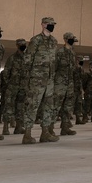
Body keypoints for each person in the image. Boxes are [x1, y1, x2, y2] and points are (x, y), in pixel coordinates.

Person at [22, 16, 59, 144]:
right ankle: (27, 134)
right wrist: (28, 77)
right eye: (49, 24)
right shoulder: (36, 40)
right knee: (33, 105)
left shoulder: (54, 41)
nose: (51, 26)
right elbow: (28, 58)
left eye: (53, 24)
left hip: (49, 79)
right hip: (37, 78)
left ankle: (45, 133)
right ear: (43, 25)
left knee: (48, 106)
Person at [53, 32, 79, 135]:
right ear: (65, 39)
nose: (73, 41)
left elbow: (73, 69)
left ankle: (65, 127)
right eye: (71, 39)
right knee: (55, 106)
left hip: (69, 83)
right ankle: (49, 129)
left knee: (68, 107)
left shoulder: (72, 53)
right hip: (59, 84)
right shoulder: (59, 52)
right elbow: (54, 67)